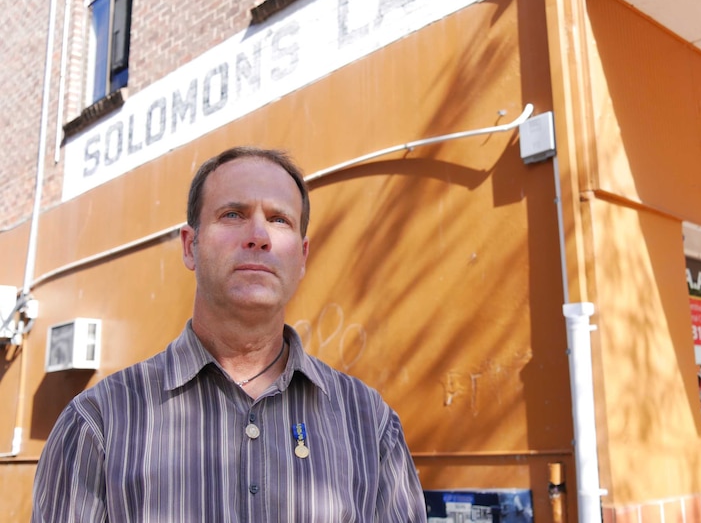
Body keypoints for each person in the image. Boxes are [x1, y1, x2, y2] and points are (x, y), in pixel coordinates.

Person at [31, 146, 427, 522]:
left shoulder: (370, 424)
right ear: (190, 246)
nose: (259, 235)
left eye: (279, 219)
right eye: (234, 215)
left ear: (302, 257)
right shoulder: (99, 424)